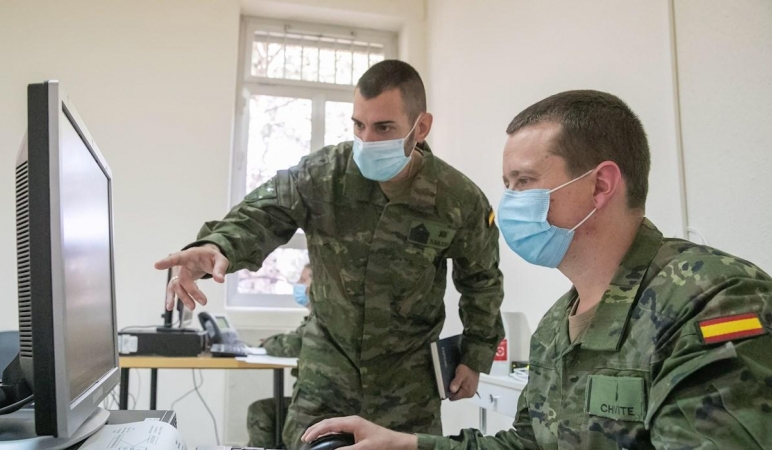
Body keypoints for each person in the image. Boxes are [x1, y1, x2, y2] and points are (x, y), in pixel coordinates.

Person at [302, 90, 772, 449]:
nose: (509, 203)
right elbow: (529, 444)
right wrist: (405, 444)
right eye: (507, 185)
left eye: (524, 182)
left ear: (600, 185)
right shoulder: (555, 331)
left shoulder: (712, 300)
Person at [155, 60, 505, 449]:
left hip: (407, 382)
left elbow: (482, 281)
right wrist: (219, 245)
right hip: (326, 372)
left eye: (384, 128)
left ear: (420, 127)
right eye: (359, 125)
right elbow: (263, 213)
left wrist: (475, 355)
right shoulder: (325, 174)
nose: (367, 140)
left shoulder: (458, 199)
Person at [247, 264, 313, 448]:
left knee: (262, 411)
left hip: (320, 405)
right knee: (262, 411)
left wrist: (269, 342)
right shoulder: (315, 316)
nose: (298, 285)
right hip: (308, 399)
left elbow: (293, 344)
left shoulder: (325, 316)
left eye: (303, 279)